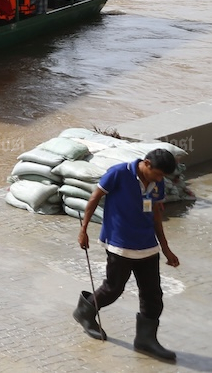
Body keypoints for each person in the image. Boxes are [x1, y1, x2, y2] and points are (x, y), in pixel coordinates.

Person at [73, 148, 181, 361]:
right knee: (113, 289)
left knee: (153, 296)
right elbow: (95, 198)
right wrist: (83, 230)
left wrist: (166, 249)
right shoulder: (119, 173)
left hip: (147, 246)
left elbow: (156, 216)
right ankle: (85, 312)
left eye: (163, 176)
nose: (160, 179)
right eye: (158, 174)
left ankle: (145, 340)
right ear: (147, 164)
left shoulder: (157, 182)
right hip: (119, 244)